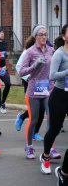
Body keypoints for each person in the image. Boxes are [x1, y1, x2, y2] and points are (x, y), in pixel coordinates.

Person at [19, 25, 59, 161]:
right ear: (35, 36)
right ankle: (29, 146)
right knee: (34, 120)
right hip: (33, 91)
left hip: (49, 90)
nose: (43, 37)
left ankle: (50, 148)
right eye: (41, 34)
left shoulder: (52, 50)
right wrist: (34, 66)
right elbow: (21, 71)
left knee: (51, 119)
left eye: (45, 34)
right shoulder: (30, 52)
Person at [40, 24, 68, 175]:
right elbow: (52, 76)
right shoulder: (59, 53)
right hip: (59, 95)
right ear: (64, 36)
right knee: (55, 129)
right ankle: (45, 156)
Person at [15, 36, 45, 142]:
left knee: (42, 108)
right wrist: (28, 78)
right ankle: (22, 118)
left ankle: (35, 133)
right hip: (30, 82)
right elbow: (19, 67)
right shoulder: (28, 52)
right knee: (34, 109)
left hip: (43, 83)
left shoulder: (47, 50)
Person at [0, 27, 11, 114]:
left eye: (3, 33)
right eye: (1, 33)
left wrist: (4, 63)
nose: (2, 34)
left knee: (8, 83)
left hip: (3, 68)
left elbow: (5, 55)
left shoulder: (5, 43)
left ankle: (2, 102)